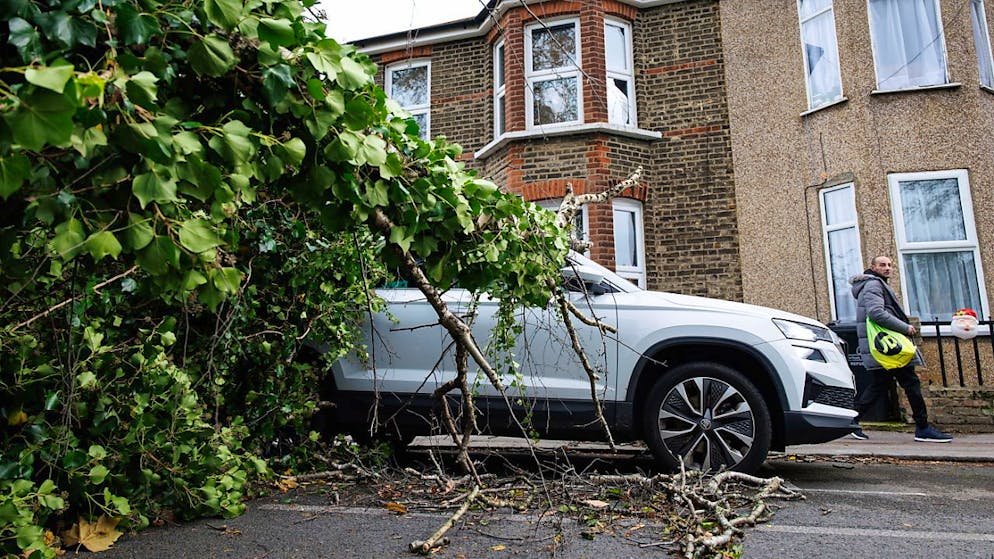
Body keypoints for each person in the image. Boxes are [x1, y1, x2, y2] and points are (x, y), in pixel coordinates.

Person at [849, 256, 953, 443]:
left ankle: (851, 421)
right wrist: (905, 328)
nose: (887, 268)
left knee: (879, 384)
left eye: (889, 265)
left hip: (883, 347)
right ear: (872, 267)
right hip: (890, 347)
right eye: (882, 265)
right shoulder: (874, 285)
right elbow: (876, 313)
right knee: (911, 383)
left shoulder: (875, 284)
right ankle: (923, 428)